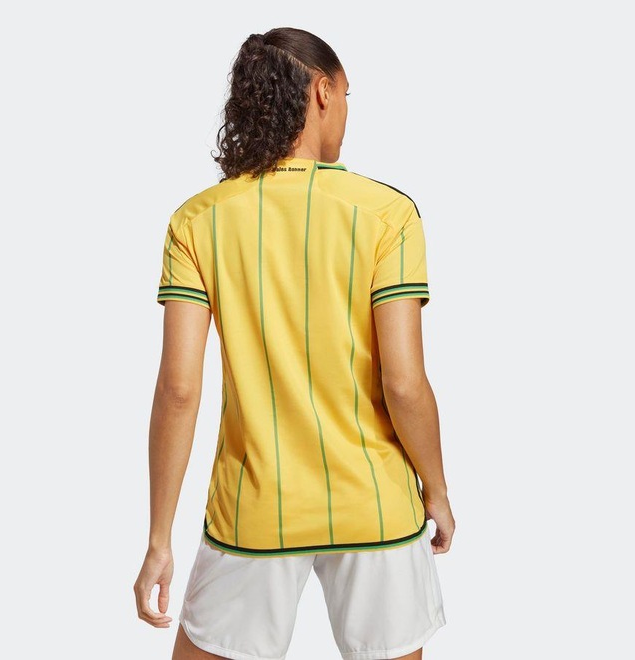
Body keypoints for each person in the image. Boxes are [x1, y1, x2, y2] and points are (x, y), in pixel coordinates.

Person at [134, 26, 455, 660]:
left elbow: (178, 390)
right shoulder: (387, 214)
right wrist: (437, 490)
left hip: (252, 509)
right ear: (322, 92)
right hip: (374, 508)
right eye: (347, 96)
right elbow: (404, 382)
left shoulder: (198, 220)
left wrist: (159, 540)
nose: (346, 113)